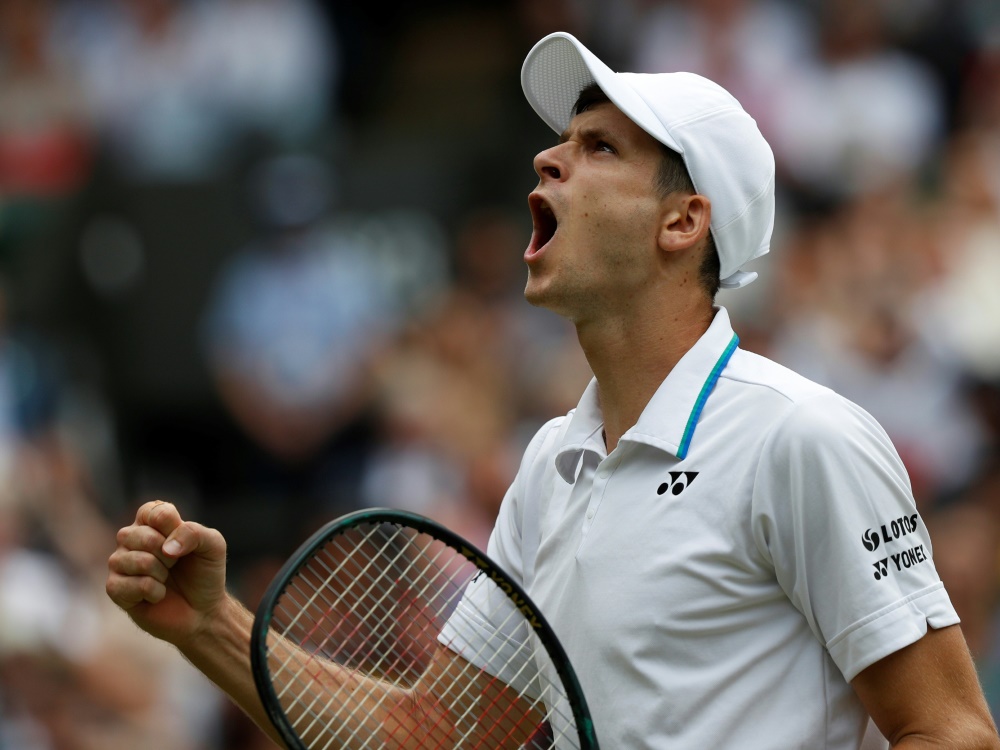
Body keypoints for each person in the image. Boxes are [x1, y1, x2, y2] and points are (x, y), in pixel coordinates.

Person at [106, 31, 1000, 749]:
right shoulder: (550, 465)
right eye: (560, 141)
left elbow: (950, 730)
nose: (547, 159)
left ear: (684, 222)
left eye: (598, 147)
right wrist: (212, 626)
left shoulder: (803, 438)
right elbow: (435, 738)